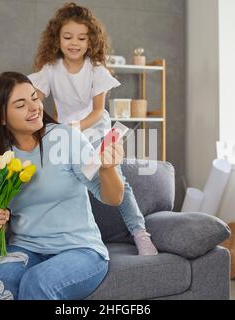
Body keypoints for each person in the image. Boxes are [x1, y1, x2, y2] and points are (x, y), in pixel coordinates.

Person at [28, 1, 157, 256]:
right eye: (67, 37)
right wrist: (44, 126)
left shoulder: (96, 70)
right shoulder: (51, 70)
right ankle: (65, 240)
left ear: (90, 41)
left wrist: (72, 127)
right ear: (57, 39)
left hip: (96, 134)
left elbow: (98, 111)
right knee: (64, 184)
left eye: (81, 38)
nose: (74, 43)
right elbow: (34, 100)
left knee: (119, 181)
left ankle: (140, 233)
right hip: (67, 138)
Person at [0, 71, 125, 300]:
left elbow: (113, 198)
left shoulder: (67, 139)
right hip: (25, 248)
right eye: (21, 104)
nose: (34, 107)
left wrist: (108, 169)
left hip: (80, 250)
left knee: (37, 282)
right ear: (1, 117)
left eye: (34, 98)